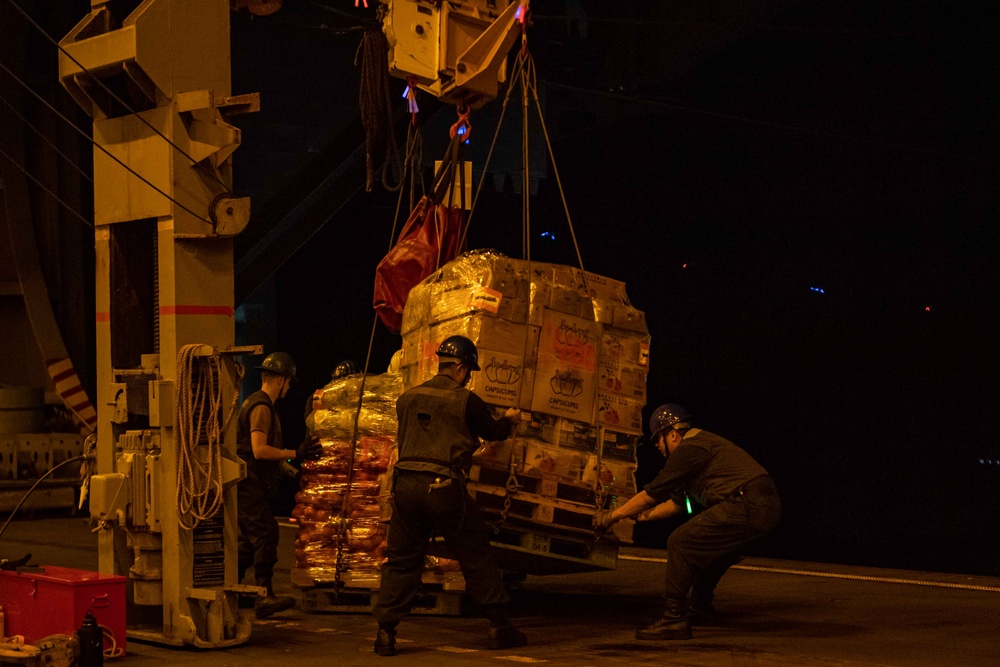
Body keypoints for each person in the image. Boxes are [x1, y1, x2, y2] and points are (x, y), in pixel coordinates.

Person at [372, 335, 527, 656]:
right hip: (443, 487)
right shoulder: (465, 400)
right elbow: (493, 432)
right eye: (469, 370)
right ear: (459, 367)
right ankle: (499, 626)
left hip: (405, 487)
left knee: (401, 561)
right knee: (475, 553)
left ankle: (385, 633)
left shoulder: (407, 398)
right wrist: (510, 421)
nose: (469, 376)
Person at [594, 403, 781, 640]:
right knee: (712, 553)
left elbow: (653, 493)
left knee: (680, 542)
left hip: (748, 502)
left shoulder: (690, 448)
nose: (657, 447)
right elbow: (677, 504)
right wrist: (640, 516)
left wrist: (611, 516)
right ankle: (700, 608)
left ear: (672, 433)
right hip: (763, 505)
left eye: (657, 440)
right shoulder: (699, 450)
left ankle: (674, 618)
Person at [237, 351, 322, 618]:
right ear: (281, 380)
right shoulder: (261, 407)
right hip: (248, 484)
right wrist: (295, 453)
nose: (288, 388)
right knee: (266, 534)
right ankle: (264, 595)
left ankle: (236, 591)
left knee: (247, 543)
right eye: (288, 382)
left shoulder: (261, 405)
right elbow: (259, 450)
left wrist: (291, 470)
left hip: (249, 483)